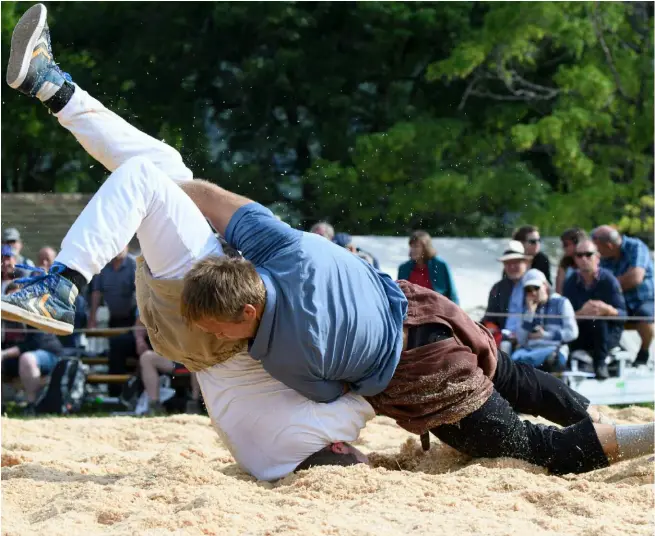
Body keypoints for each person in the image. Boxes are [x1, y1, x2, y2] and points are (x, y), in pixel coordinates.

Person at [3, 4, 653, 478]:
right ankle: (620, 425)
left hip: (297, 340)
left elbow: (205, 199)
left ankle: (63, 260)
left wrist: (180, 190)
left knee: (157, 169)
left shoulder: (286, 295)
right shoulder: (292, 287)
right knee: (514, 386)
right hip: (392, 328)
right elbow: (346, 396)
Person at [1, 3, 374, 481]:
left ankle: (61, 286)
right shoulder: (264, 456)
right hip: (199, 336)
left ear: (338, 451)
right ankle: (49, 84)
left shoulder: (318, 433)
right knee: (169, 168)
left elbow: (368, 394)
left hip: (215, 319)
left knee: (144, 177)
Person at [563, 239, 626, 379]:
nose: (583, 259)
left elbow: (623, 315)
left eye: (588, 254)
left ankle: (600, 364)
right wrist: (581, 313)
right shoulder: (570, 282)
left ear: (597, 257)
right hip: (582, 333)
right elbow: (564, 317)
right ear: (575, 259)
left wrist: (608, 310)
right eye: (579, 255)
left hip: (607, 335)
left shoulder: (609, 281)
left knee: (599, 320)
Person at [592, 226, 654, 367]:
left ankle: (643, 353)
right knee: (600, 314)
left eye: (598, 248)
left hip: (646, 299)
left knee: (644, 315)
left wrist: (611, 286)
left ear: (609, 245)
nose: (597, 252)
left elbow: (635, 278)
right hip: (620, 300)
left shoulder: (636, 246)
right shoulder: (603, 256)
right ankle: (610, 353)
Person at [1, 282, 63, 412]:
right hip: (16, 357)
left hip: (47, 354)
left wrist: (4, 353)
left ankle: (31, 405)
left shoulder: (35, 314)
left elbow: (34, 344)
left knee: (27, 358)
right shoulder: (4, 317)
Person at [511, 269, 577, 371]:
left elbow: (572, 333)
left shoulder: (561, 302)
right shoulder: (525, 308)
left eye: (536, 288)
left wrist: (545, 335)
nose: (533, 292)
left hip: (553, 350)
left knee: (549, 360)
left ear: (545, 286)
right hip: (530, 351)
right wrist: (530, 313)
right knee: (514, 359)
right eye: (528, 289)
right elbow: (522, 340)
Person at [482, 240, 530, 344]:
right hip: (504, 338)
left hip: (531, 337)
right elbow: (490, 317)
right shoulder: (498, 288)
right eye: (508, 263)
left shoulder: (535, 285)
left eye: (516, 262)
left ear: (525, 263)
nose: (512, 267)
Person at [397, 230, 459, 305]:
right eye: (411, 247)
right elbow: (399, 295)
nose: (412, 250)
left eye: (416, 246)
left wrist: (456, 312)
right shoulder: (404, 268)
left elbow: (452, 292)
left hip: (437, 308)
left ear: (426, 248)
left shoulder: (440, 265)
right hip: (412, 310)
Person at [555, 227, 587, 294]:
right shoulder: (564, 264)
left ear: (577, 243)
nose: (563, 247)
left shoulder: (591, 262)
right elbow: (558, 291)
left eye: (566, 244)